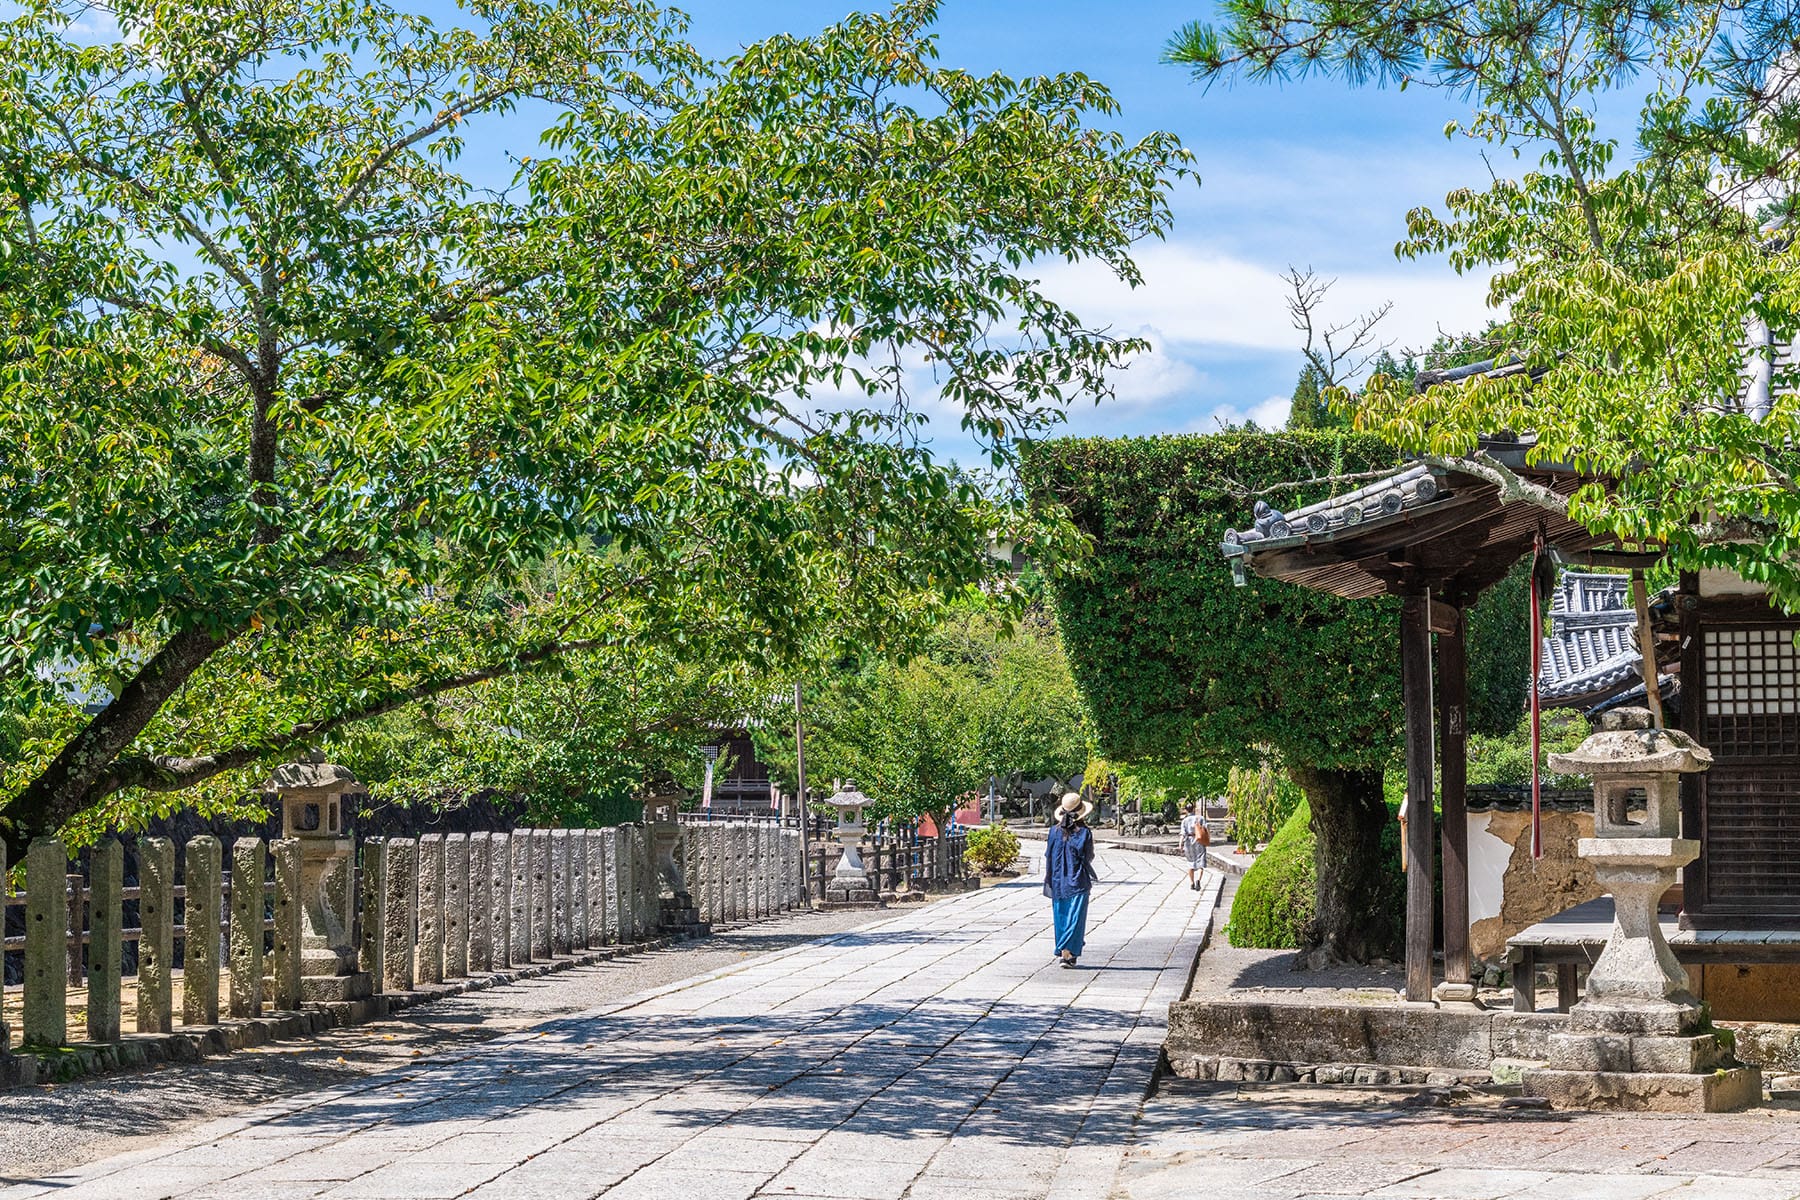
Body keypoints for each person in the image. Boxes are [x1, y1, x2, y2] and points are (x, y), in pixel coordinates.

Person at [1044, 792, 1098, 968]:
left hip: (1058, 880)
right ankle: (1067, 952)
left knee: (1061, 916)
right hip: (1077, 879)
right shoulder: (1084, 833)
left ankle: (1066, 951)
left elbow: (1048, 855)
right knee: (1075, 918)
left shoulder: (1053, 831)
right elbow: (1088, 856)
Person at [1179, 800, 1211, 892]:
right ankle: (1198, 880)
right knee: (1201, 861)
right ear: (1193, 809)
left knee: (1191, 862)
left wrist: (1180, 844)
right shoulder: (1200, 818)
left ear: (1186, 810)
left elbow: (1183, 833)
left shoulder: (1185, 821)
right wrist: (1208, 839)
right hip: (1199, 841)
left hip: (1189, 842)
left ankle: (1192, 882)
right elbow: (1206, 828)